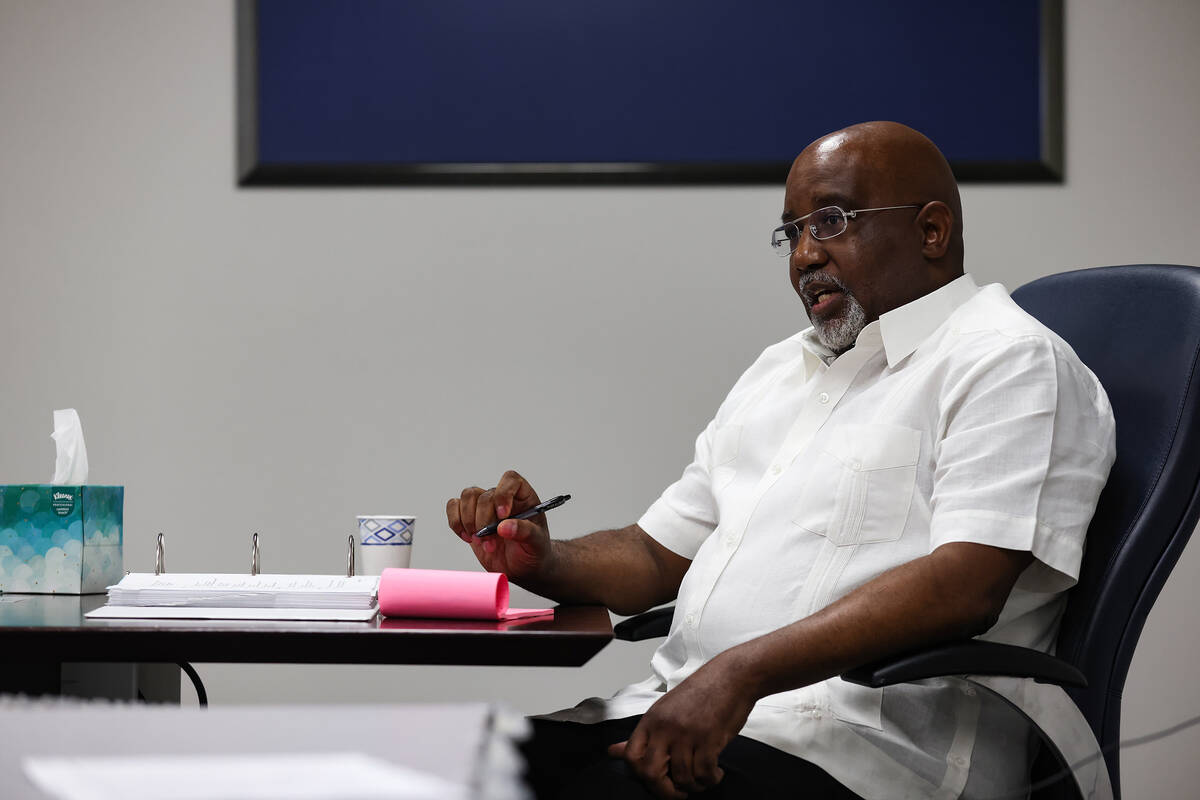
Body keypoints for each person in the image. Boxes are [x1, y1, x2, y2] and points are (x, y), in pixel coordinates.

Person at [446, 121, 1115, 799]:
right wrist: (544, 559)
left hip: (858, 751)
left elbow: (963, 587)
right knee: (426, 767)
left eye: (831, 221)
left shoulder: (1007, 361)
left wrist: (739, 672)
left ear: (932, 231)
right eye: (791, 232)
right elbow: (656, 558)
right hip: (679, 711)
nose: (803, 256)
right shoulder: (782, 370)